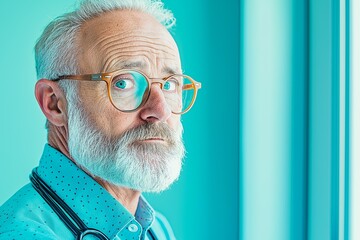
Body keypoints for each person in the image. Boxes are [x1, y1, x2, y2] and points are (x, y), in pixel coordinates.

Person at [0, 0, 201, 239]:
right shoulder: (21, 233)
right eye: (123, 83)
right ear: (54, 104)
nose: (160, 110)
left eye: (169, 85)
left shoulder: (157, 229)